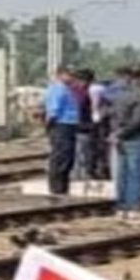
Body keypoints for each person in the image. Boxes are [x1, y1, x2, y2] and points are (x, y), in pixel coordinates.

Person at [108, 63, 140, 221]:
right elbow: (138, 120)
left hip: (120, 138)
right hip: (137, 138)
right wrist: (122, 133)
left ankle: (121, 208)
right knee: (136, 174)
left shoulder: (119, 95)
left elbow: (113, 117)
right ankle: (134, 208)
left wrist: (116, 133)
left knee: (122, 174)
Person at [43, 66, 80, 196]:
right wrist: (50, 126)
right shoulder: (57, 89)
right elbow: (53, 110)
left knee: (68, 157)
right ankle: (56, 187)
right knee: (60, 156)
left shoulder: (68, 89)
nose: (72, 77)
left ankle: (63, 185)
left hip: (69, 125)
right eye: (69, 74)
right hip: (61, 124)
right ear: (60, 75)